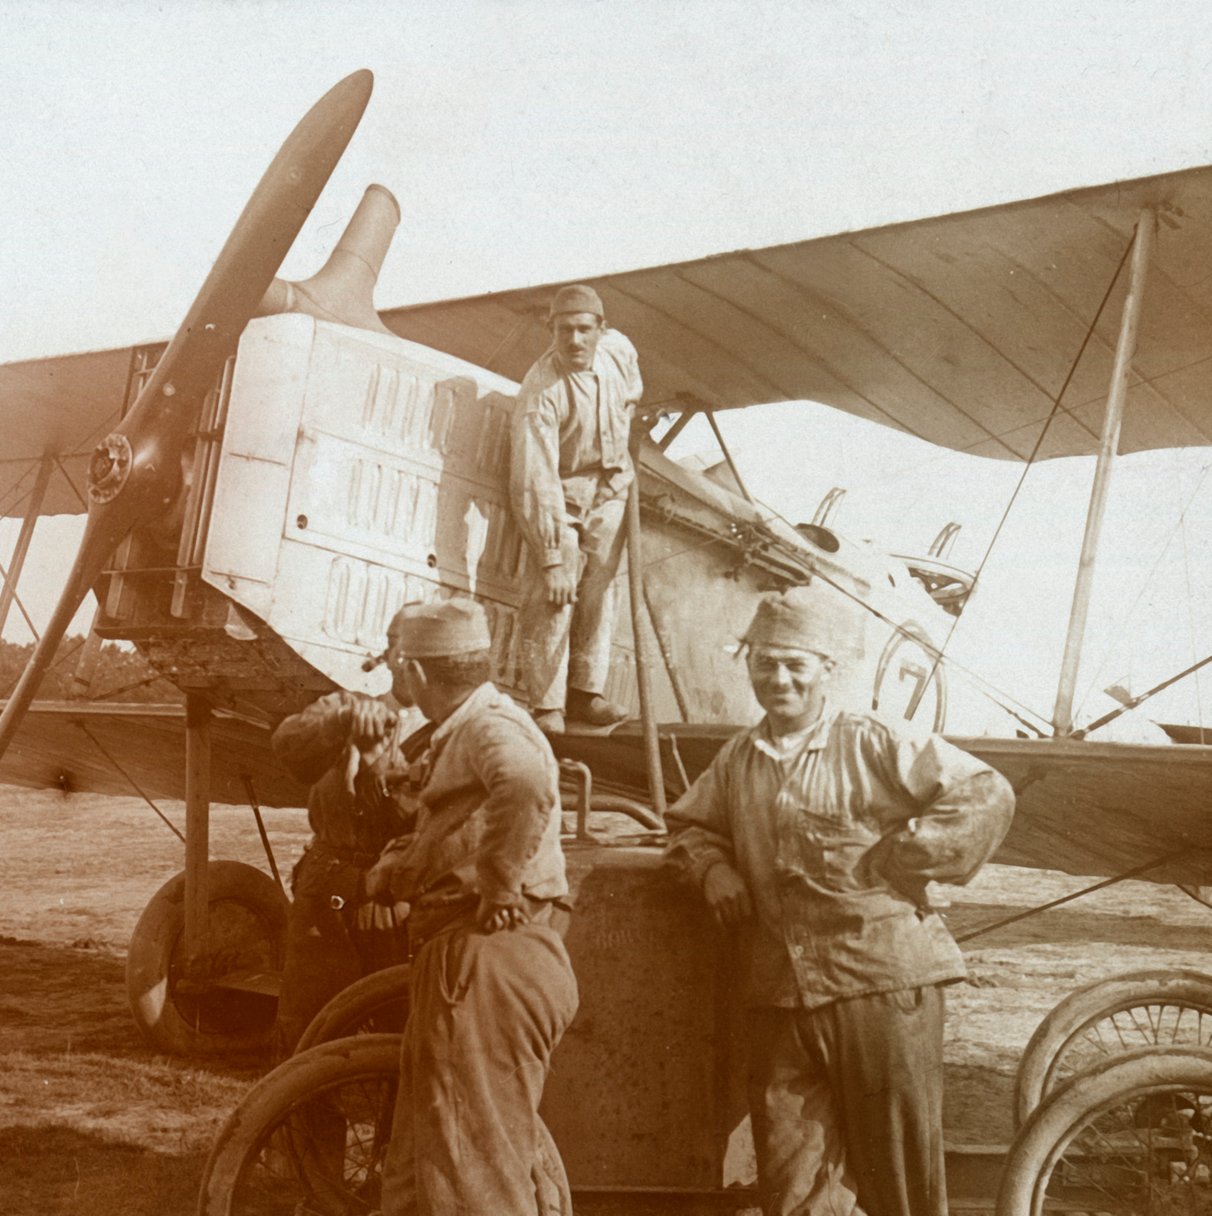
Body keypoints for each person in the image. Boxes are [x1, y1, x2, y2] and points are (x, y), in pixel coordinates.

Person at [663, 581, 1015, 1216]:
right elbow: (690, 827)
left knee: (896, 1180)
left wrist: (907, 855)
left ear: (827, 669)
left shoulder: (872, 739)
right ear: (747, 666)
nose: (780, 679)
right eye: (764, 663)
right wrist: (713, 867)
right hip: (780, 996)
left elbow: (986, 793)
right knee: (792, 1177)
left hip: (881, 987)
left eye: (796, 665)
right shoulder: (738, 758)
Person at [365, 597, 577, 1216]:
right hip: (469, 956)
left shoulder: (488, 728)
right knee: (422, 1162)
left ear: (417, 672)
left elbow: (527, 784)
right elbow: (455, 822)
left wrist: (499, 881)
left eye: (396, 664)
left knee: (472, 1179)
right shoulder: (466, 725)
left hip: (486, 959)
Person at [270, 607, 428, 1056]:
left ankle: (390, 1127)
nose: (408, 660)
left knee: (400, 1042)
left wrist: (378, 762)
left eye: (421, 651)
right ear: (389, 652)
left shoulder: (453, 735)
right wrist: (339, 723)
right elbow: (286, 744)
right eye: (400, 644)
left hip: (395, 901)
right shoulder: (350, 704)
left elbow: (416, 821)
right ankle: (302, 1124)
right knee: (305, 1035)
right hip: (327, 890)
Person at [509, 283, 643, 734]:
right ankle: (547, 706)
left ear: (601, 330)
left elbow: (633, 392)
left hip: (612, 486)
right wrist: (549, 558)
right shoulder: (541, 391)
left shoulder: (619, 352)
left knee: (600, 590)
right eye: (564, 330)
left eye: (585, 329)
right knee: (557, 587)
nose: (575, 341)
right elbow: (534, 479)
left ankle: (585, 693)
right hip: (562, 495)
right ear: (552, 330)